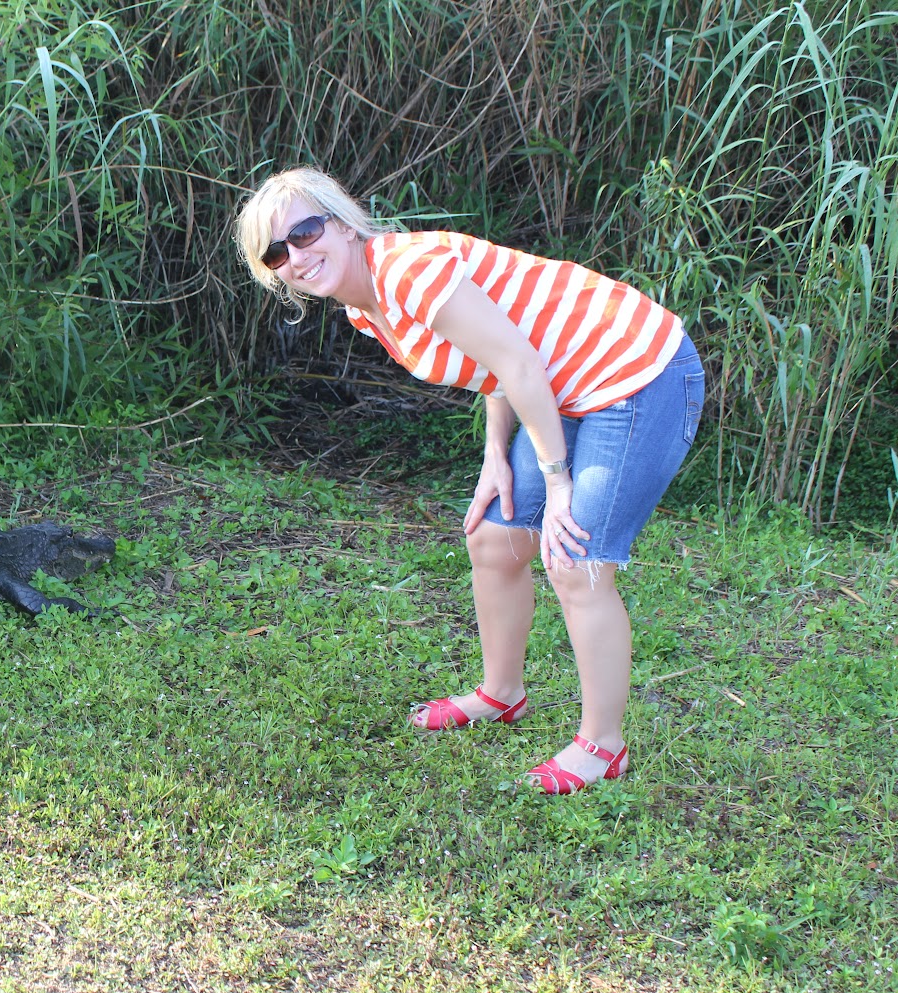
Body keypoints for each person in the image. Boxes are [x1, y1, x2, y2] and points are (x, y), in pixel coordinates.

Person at [236, 167, 704, 794]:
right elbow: (497, 362)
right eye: (276, 252)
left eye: (306, 231)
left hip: (639, 373)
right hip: (565, 388)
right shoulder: (365, 308)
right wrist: (493, 454)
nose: (296, 255)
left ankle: (603, 745)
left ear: (344, 224)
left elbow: (518, 360)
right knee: (493, 536)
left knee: (576, 559)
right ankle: (501, 693)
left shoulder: (407, 272)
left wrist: (557, 482)